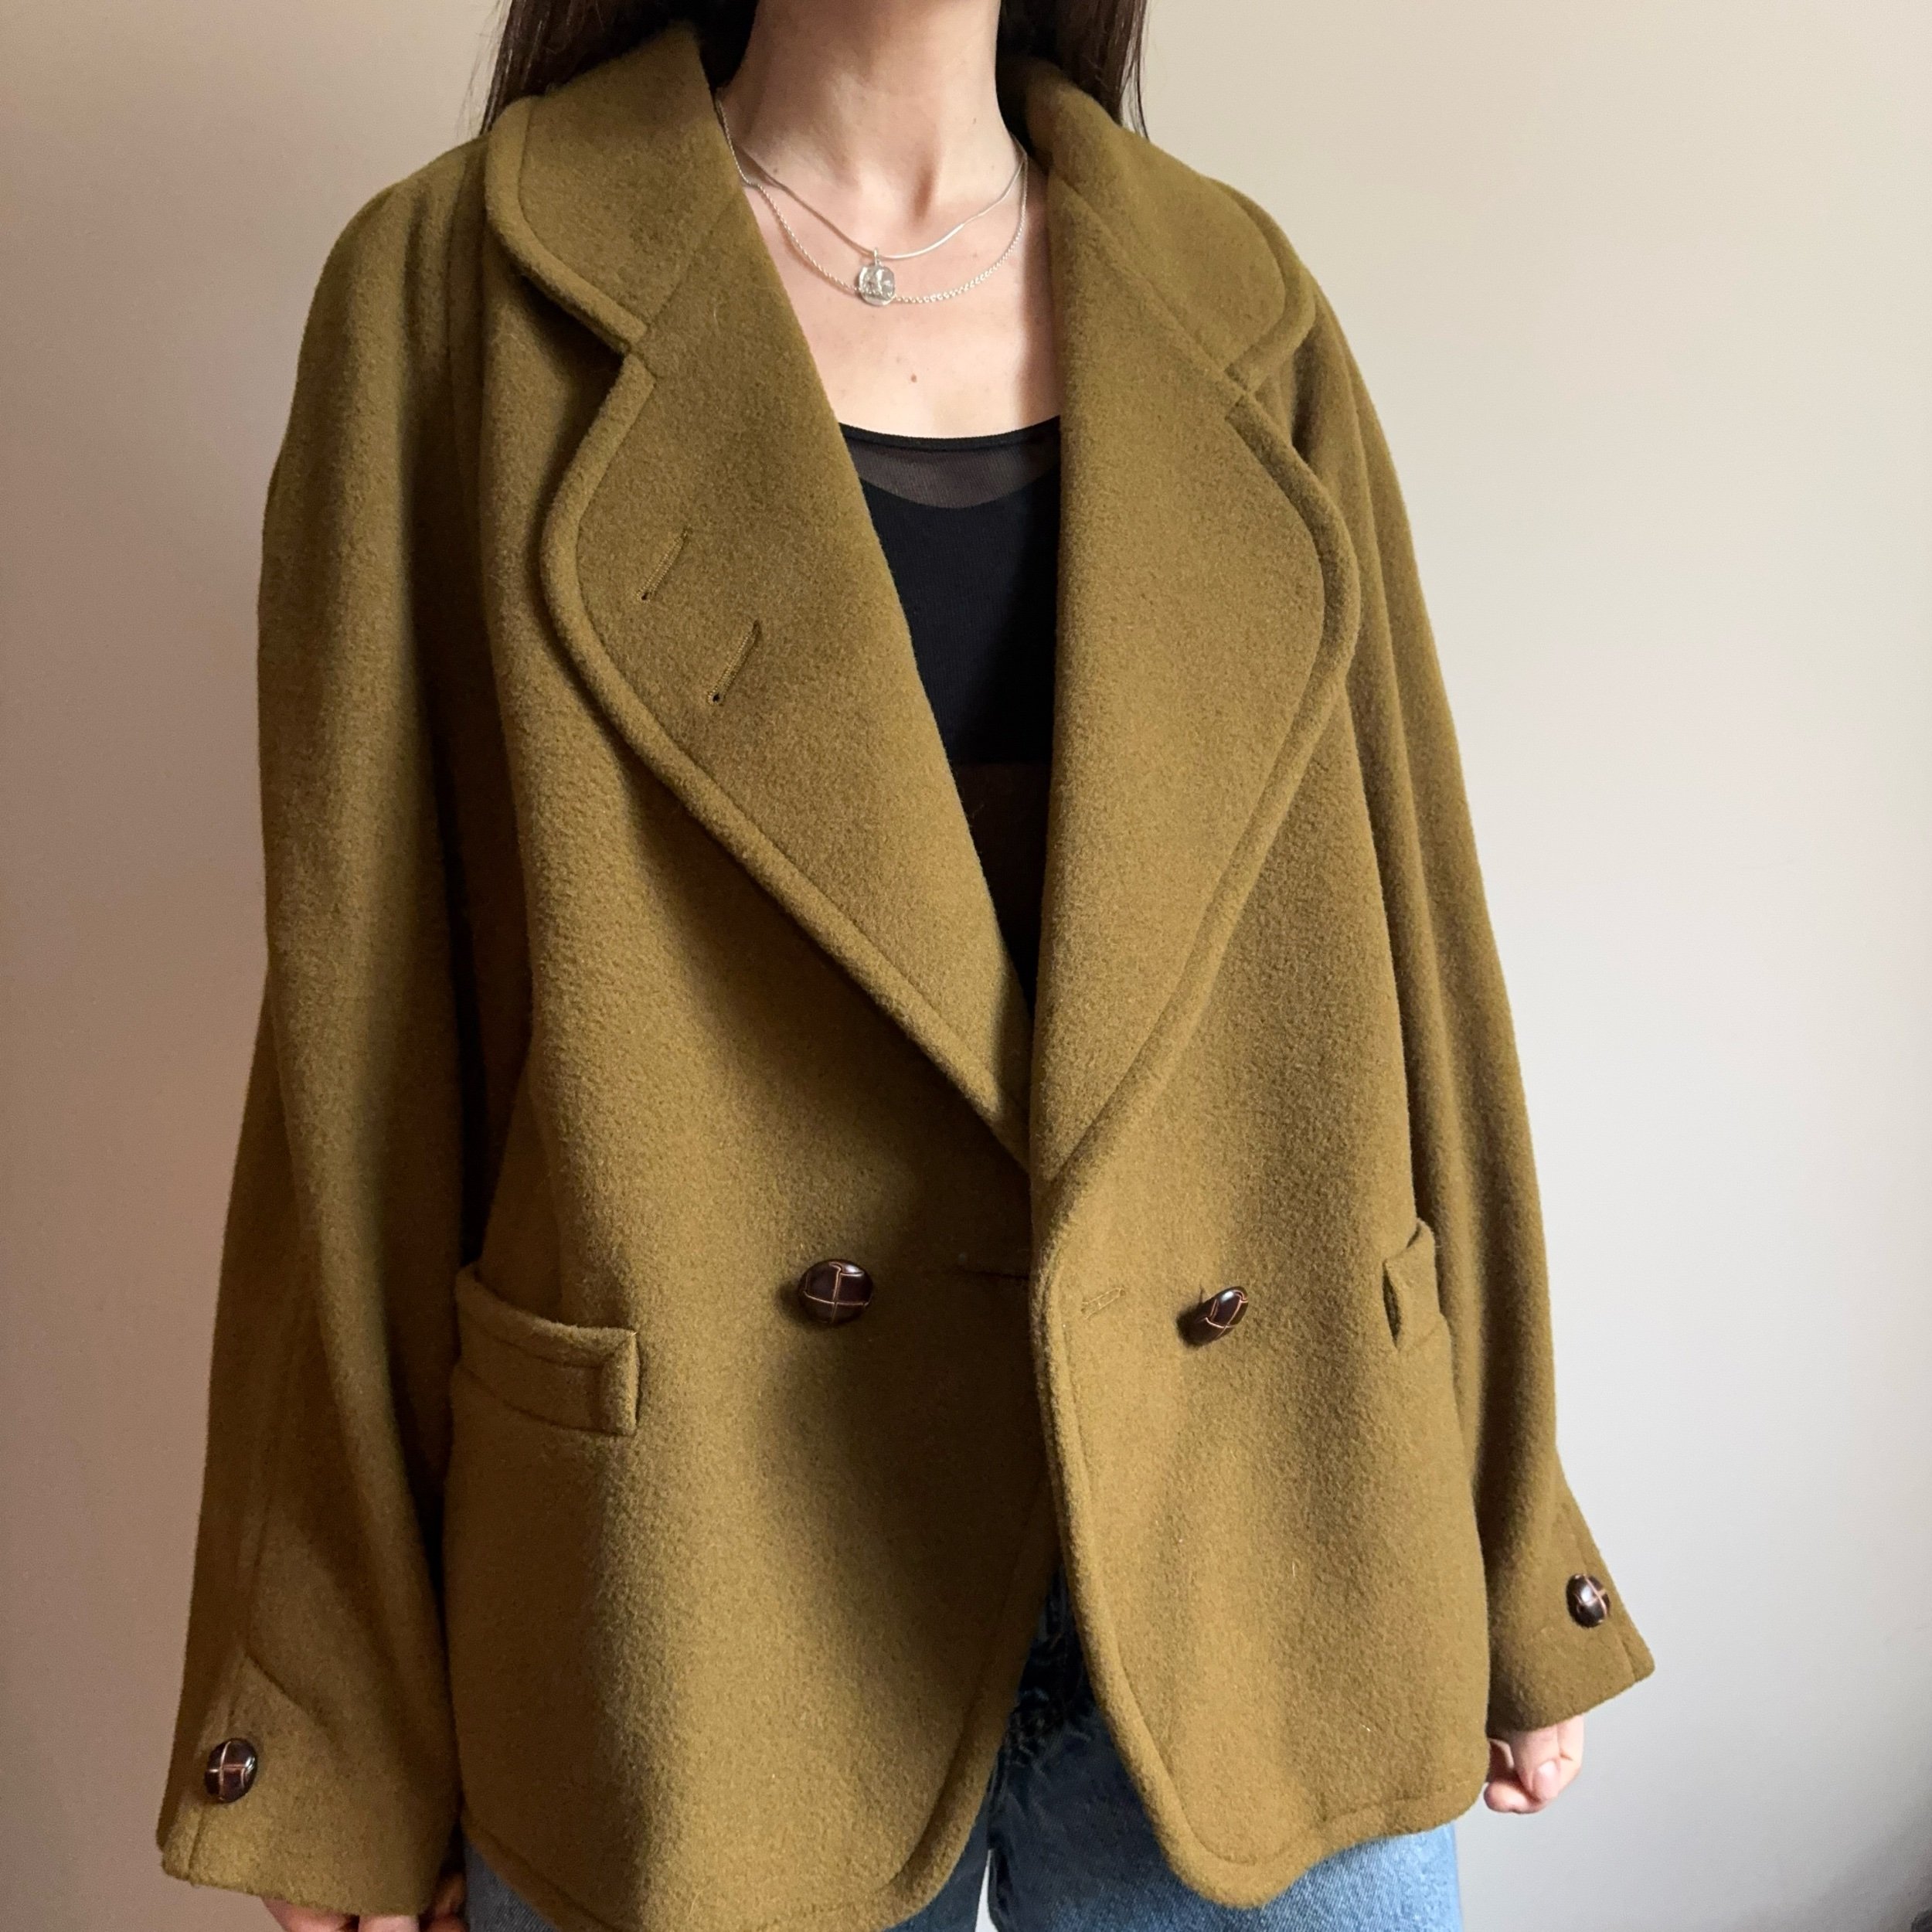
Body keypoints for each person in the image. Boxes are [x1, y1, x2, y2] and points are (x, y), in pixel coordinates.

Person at [156, 3, 1654, 1929]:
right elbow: (358, 1054)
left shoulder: (1236, 299)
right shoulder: (451, 299)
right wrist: (331, 1712)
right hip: (698, 1597)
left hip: (1274, 1546)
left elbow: (1413, 944)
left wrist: (1506, 1530)